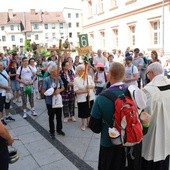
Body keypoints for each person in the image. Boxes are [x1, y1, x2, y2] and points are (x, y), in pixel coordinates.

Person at [89, 62, 142, 170]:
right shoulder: (134, 93)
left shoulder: (101, 98)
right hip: (130, 142)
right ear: (123, 75)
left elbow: (94, 127)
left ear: (110, 75)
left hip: (108, 142)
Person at [141, 62, 170, 170]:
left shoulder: (149, 89)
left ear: (151, 73)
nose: (147, 76)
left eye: (147, 73)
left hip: (154, 132)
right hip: (168, 129)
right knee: (165, 156)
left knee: (152, 157)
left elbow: (145, 114)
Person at [42, 63, 65, 138]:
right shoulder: (46, 80)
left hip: (58, 100)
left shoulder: (59, 78)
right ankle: (52, 131)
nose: (57, 72)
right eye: (56, 70)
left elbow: (63, 87)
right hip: (50, 102)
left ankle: (59, 129)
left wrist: (59, 90)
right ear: (51, 71)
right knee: (51, 117)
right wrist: (51, 93)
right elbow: (43, 91)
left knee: (59, 116)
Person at [74, 64, 95, 131]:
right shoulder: (76, 79)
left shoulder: (89, 77)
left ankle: (89, 123)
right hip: (82, 98)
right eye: (83, 70)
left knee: (89, 110)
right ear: (79, 72)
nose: (85, 71)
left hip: (90, 97)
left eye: (85, 70)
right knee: (83, 112)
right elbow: (76, 90)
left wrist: (90, 87)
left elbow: (93, 85)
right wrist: (85, 91)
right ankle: (83, 124)